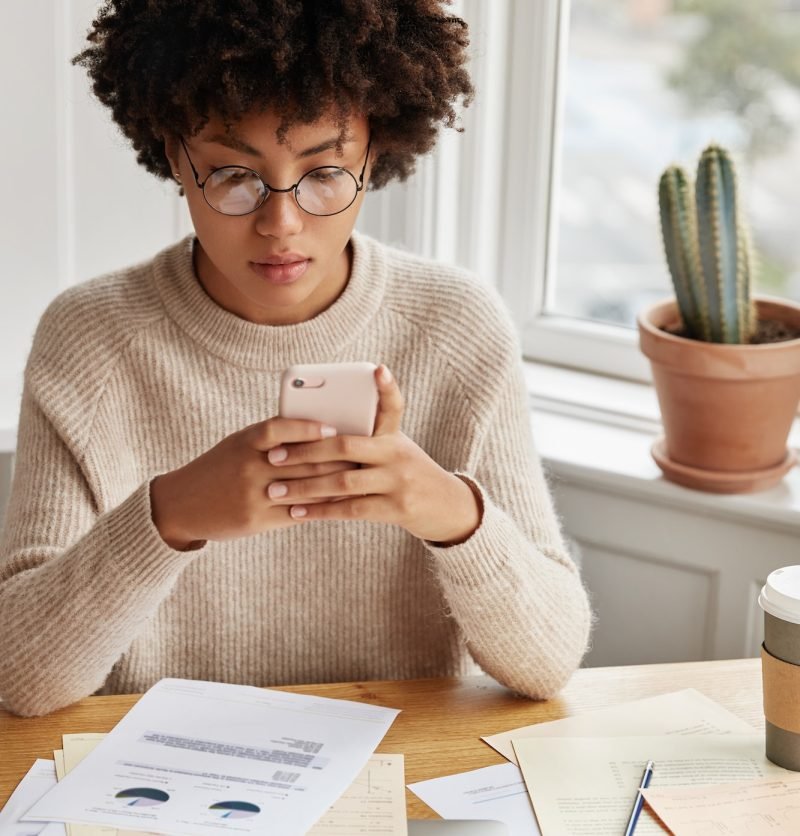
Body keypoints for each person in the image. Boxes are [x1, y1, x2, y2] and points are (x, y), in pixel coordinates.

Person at [0, 0, 591, 717]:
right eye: (233, 176)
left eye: (324, 174)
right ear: (172, 153)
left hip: (401, 784)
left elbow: (550, 662)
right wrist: (172, 515)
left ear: (378, 151)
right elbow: (20, 678)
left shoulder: (454, 326)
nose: (281, 223)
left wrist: (446, 510)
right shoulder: (90, 339)